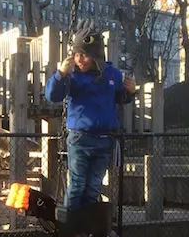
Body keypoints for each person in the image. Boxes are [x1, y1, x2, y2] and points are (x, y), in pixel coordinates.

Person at [45, 20, 136, 211]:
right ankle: (70, 226)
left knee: (93, 188)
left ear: (96, 56)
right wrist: (60, 74)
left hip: (104, 140)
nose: (79, 59)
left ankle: (85, 227)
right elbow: (52, 96)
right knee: (77, 185)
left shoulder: (111, 74)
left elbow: (120, 98)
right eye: (76, 54)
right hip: (80, 138)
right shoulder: (72, 76)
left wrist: (130, 93)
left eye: (84, 55)